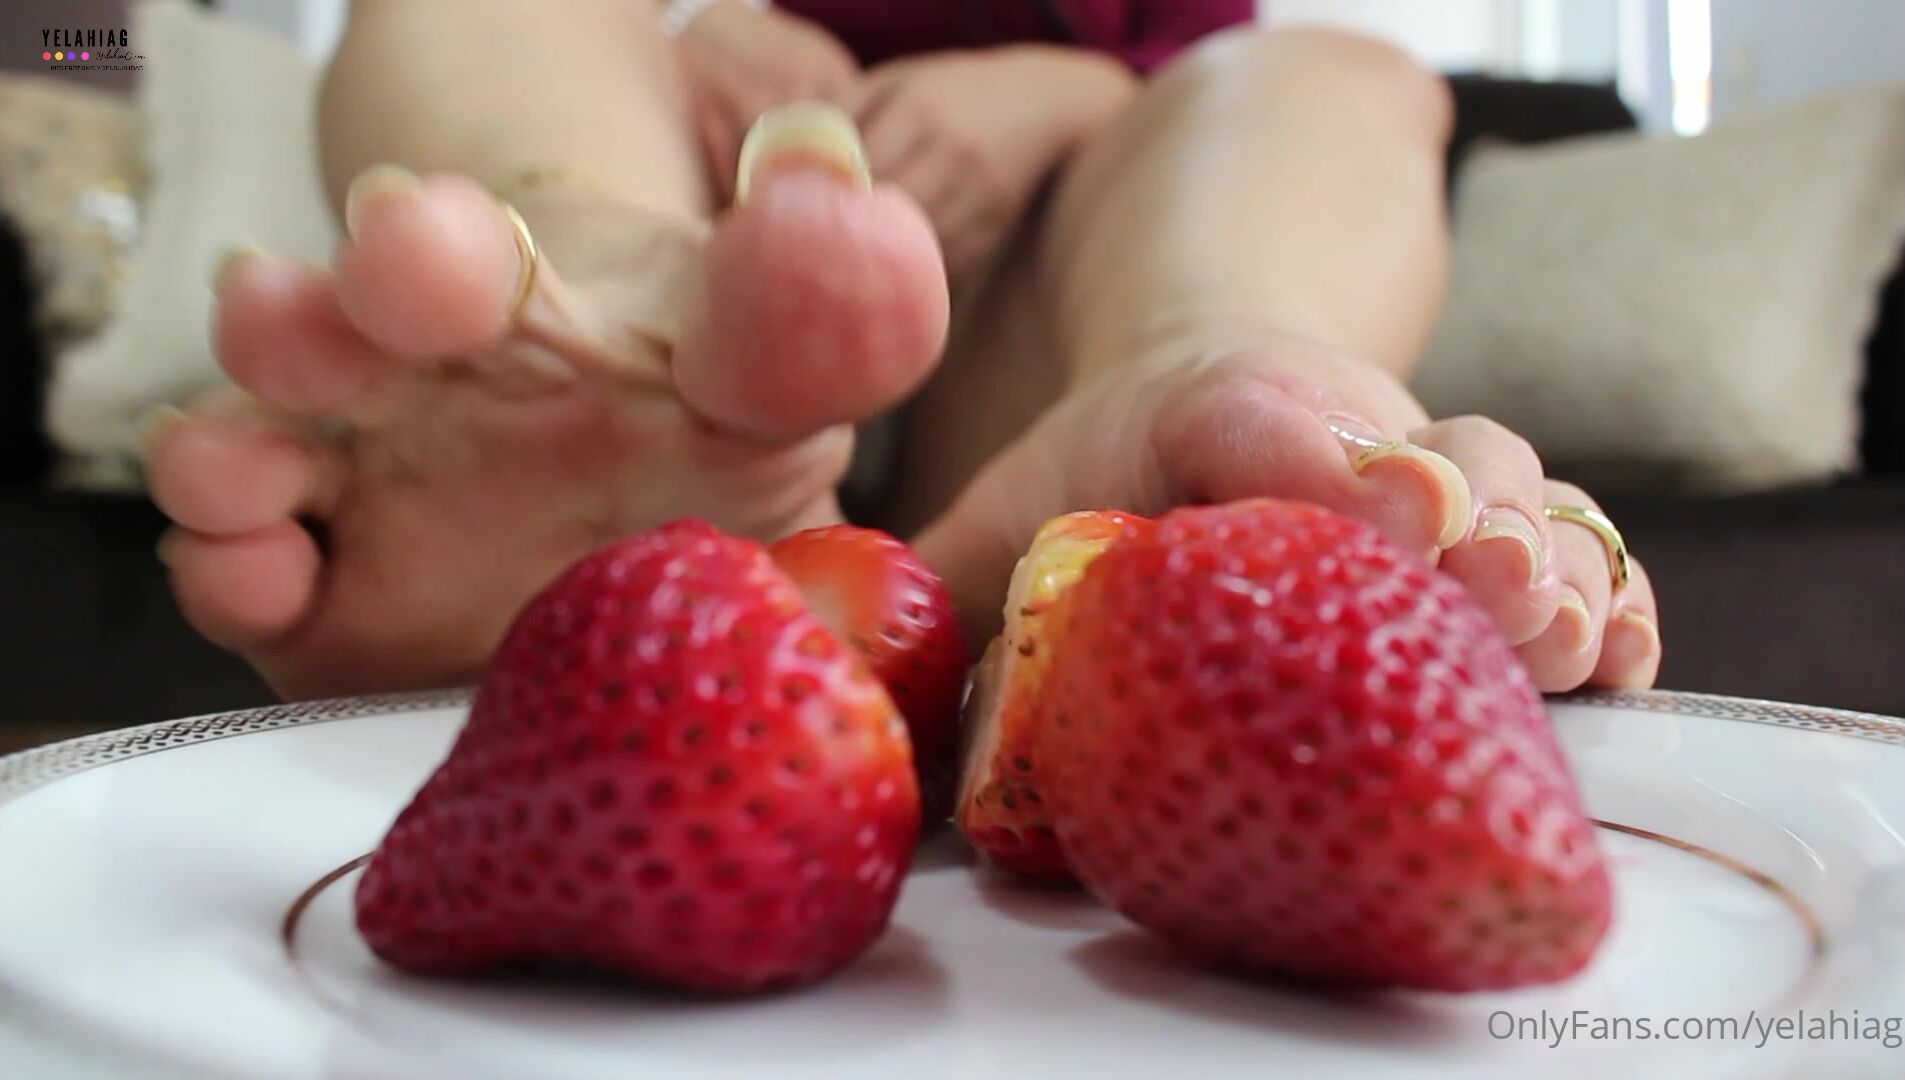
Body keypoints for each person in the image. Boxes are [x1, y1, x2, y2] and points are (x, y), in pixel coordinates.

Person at [143, 0, 1660, 701]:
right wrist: (704, 43)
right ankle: (588, 299)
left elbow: (1201, 69)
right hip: (705, 226)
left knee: (1316, 74)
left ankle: (1232, 400)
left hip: (1061, 295)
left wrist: (1050, 93)